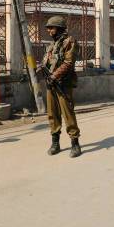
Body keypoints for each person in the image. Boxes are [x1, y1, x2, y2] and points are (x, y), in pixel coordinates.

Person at [40, 16, 81, 158]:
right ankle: (55, 142)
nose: (49, 30)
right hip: (51, 84)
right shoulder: (52, 45)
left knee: (68, 114)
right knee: (52, 114)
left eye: (51, 27)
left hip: (63, 84)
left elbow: (69, 63)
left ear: (59, 28)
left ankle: (75, 143)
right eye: (48, 28)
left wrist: (54, 76)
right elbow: (48, 61)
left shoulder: (70, 42)